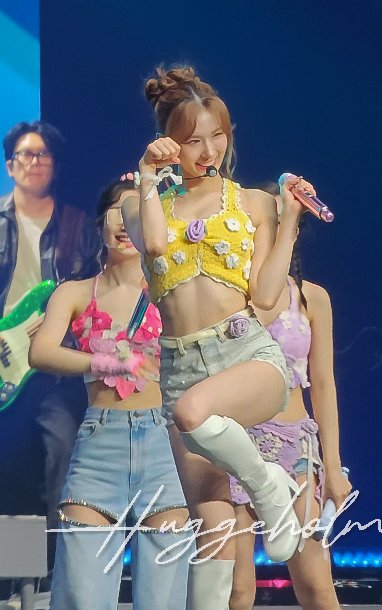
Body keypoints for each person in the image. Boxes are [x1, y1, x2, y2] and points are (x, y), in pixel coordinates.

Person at [122, 65, 315, 610]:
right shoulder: (138, 203)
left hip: (246, 355)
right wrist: (146, 174)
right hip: (182, 365)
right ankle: (266, 485)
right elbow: (154, 247)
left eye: (218, 135)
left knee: (191, 412)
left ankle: (267, 486)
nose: (209, 151)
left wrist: (289, 218)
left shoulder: (251, 202)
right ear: (167, 142)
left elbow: (268, 295)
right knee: (213, 531)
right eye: (193, 141)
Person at [29, 177, 189, 610]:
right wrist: (101, 363)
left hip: (165, 444)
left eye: (134, 213)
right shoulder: (76, 292)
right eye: (116, 212)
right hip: (100, 444)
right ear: (100, 223)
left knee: (164, 598)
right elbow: (40, 352)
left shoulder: (174, 293)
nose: (123, 223)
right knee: (83, 596)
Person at [229, 187, 352, 610]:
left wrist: (332, 468)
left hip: (292, 446)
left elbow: (324, 384)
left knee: (316, 584)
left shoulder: (311, 297)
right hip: (233, 442)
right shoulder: (227, 296)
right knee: (236, 588)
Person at [0, 120, 100, 571]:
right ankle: (16, 577)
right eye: (25, 154)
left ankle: (54, 578)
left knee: (60, 463)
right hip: (4, 364)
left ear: (55, 165)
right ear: (9, 165)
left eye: (44, 155)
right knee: (10, 471)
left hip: (53, 370)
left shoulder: (78, 226)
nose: (34, 162)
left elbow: (95, 291)